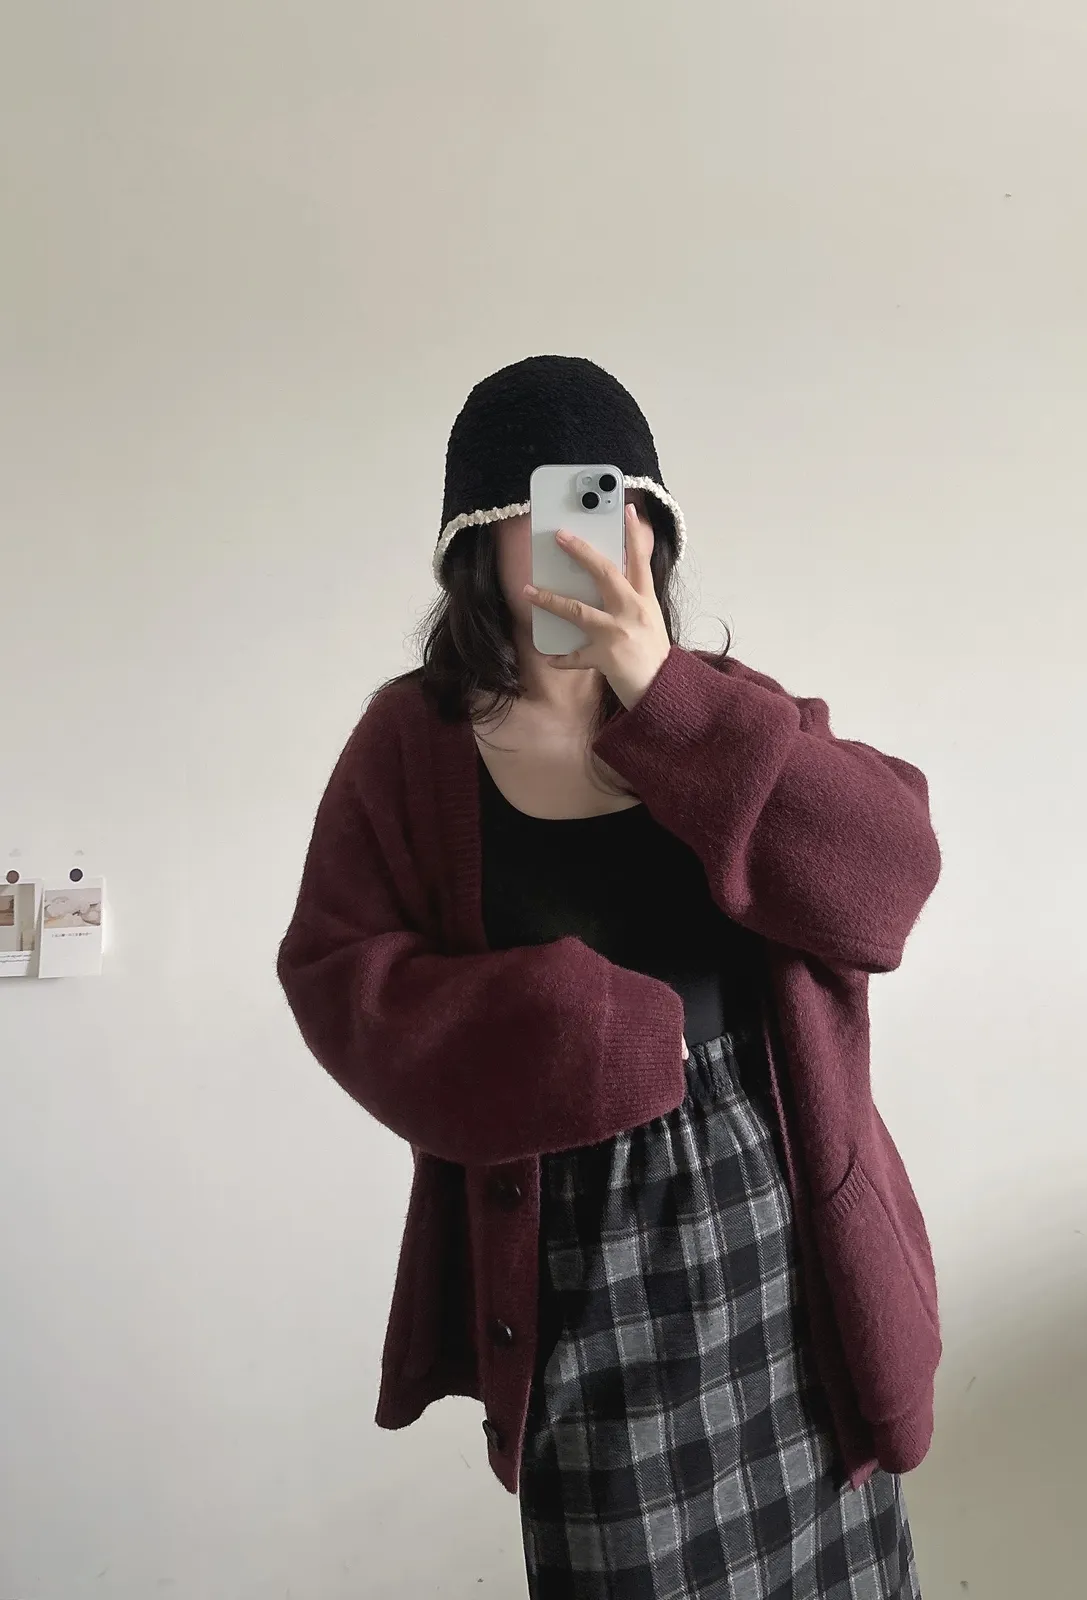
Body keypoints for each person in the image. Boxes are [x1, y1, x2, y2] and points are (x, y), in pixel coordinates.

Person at [277, 354, 943, 1598]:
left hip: (789, 1250)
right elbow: (337, 975)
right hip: (580, 1269)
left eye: (626, 504)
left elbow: (889, 881)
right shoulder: (412, 747)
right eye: (560, 506)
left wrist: (664, 695)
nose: (598, 536)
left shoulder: (729, 711)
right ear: (479, 541)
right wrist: (568, 1028)